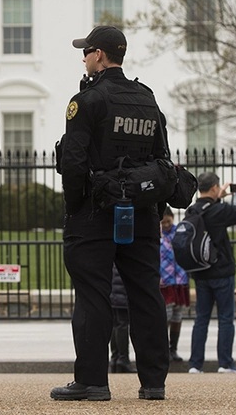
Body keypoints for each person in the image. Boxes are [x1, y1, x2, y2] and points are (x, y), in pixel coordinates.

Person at [53, 25, 170, 401]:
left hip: (95, 211)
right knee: (146, 295)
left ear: (99, 55)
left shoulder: (86, 101)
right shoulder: (147, 99)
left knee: (92, 296)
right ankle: (153, 382)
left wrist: (74, 208)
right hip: (142, 210)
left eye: (86, 52)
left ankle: (92, 381)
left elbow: (72, 162)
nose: (84, 59)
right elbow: (161, 160)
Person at [187, 172, 236, 374]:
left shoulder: (192, 210)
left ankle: (195, 364)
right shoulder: (218, 211)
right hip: (221, 272)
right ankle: (225, 363)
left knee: (201, 319)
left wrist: (218, 197)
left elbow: (207, 210)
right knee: (226, 319)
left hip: (200, 272)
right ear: (214, 188)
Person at [159, 206, 189, 362]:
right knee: (166, 315)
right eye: (163, 222)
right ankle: (163, 350)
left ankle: (173, 349)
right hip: (165, 280)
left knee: (178, 314)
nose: (166, 225)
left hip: (180, 279)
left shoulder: (179, 233)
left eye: (168, 222)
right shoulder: (158, 236)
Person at [109, 267, 136, 373]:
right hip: (122, 291)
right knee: (122, 324)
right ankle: (123, 358)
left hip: (113, 290)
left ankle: (115, 358)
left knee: (115, 324)